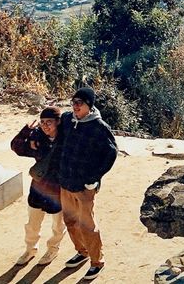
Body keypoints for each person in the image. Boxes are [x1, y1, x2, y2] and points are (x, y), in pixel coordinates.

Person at [56, 86, 118, 280]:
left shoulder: (99, 128)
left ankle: (96, 261)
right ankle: (82, 252)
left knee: (87, 226)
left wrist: (94, 178)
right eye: (73, 102)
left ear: (89, 106)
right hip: (65, 181)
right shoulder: (67, 120)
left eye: (79, 103)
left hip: (84, 187)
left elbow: (111, 153)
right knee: (70, 221)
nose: (75, 106)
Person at [9, 106, 66, 266]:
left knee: (58, 223)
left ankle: (53, 248)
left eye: (49, 122)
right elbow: (16, 147)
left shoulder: (67, 140)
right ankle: (30, 249)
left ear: (58, 122)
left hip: (58, 189)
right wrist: (26, 131)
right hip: (38, 188)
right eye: (42, 122)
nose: (45, 125)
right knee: (32, 222)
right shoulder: (38, 139)